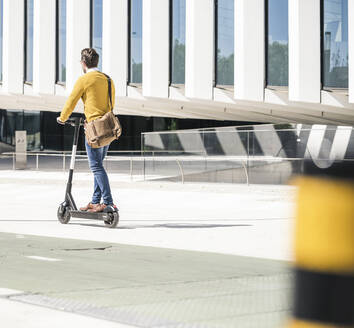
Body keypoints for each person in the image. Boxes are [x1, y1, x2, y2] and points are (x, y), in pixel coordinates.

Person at [57, 48, 117, 213]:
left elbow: (71, 101)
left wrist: (62, 118)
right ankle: (95, 201)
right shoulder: (108, 80)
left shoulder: (84, 79)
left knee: (96, 166)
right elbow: (111, 104)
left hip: (93, 129)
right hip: (108, 128)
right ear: (96, 62)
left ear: (83, 63)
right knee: (100, 166)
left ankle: (108, 202)